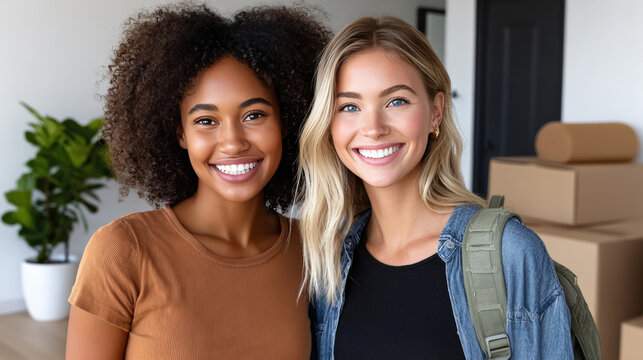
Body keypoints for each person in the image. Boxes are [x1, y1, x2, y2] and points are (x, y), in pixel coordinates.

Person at [297, 16, 573, 359]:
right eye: (349, 106)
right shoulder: (329, 262)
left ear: (436, 113)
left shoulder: (508, 253)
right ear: (329, 125)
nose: (372, 127)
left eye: (396, 101)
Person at [66, 4, 329, 359]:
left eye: (254, 115)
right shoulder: (123, 251)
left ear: (287, 123)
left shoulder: (310, 250)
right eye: (206, 120)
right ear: (180, 133)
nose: (233, 142)